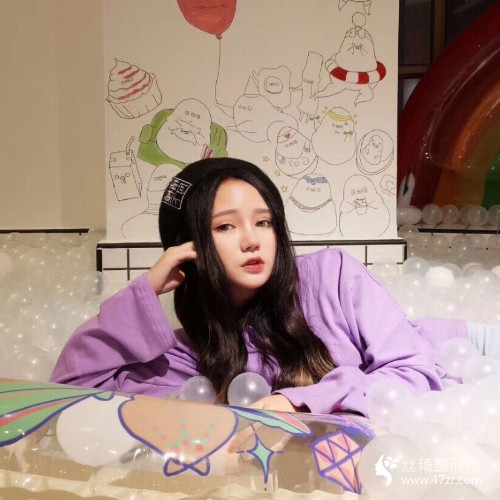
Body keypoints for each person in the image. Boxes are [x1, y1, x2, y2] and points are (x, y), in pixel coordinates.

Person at [51, 157, 469, 416]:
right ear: (190, 247)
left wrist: (300, 401)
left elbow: (414, 373)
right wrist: (145, 288)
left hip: (463, 360)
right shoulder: (185, 356)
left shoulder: (333, 276)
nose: (252, 240)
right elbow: (70, 393)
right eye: (225, 226)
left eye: (264, 221)